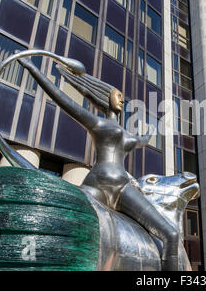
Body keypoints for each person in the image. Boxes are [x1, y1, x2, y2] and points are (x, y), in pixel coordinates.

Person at [17, 57, 179, 271]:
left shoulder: (127, 134)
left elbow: (142, 141)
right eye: (118, 96)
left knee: (171, 233)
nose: (122, 101)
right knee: (68, 221)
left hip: (122, 187)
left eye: (123, 98)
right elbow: (64, 100)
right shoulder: (98, 123)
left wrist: (152, 130)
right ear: (105, 97)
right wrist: (34, 70)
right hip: (96, 185)